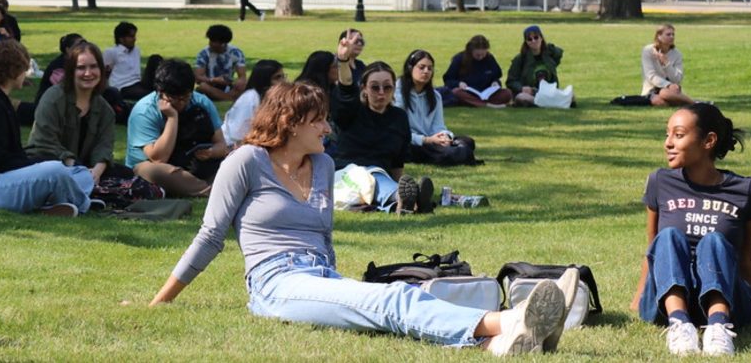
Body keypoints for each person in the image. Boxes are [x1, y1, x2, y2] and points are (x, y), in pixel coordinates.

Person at [149, 81, 578, 356]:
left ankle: (497, 344)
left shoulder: (320, 166)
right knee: (391, 300)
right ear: (289, 122)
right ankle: (511, 319)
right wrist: (159, 302)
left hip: (320, 277)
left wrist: (336, 284)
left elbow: (324, 237)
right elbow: (209, 236)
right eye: (318, 121)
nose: (327, 129)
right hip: (274, 284)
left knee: (391, 296)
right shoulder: (246, 161)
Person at [631, 103, 751, 356]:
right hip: (665, 302)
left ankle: (718, 327)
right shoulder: (660, 182)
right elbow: (653, 248)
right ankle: (679, 323)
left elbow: (748, 255)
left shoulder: (745, 191)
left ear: (708, 141)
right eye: (667, 134)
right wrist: (638, 297)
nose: (668, 143)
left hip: (727, 298)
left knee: (714, 241)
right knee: (668, 236)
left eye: (678, 135)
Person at [0, 40, 94, 217]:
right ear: (13, 71)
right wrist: (40, 164)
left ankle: (52, 205)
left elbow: (11, 158)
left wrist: (38, 163)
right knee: (55, 171)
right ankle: (84, 205)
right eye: (23, 69)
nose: (25, 74)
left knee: (81, 172)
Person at [332, 32, 428, 213]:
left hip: (381, 179)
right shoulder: (351, 112)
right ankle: (403, 197)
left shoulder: (399, 117)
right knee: (371, 177)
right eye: (375, 87)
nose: (381, 92)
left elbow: (398, 162)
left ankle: (401, 204)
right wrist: (343, 61)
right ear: (364, 89)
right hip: (349, 174)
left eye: (387, 87)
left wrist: (400, 183)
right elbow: (345, 89)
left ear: (394, 88)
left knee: (379, 180)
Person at [26, 41, 132, 183]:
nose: (88, 73)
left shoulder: (105, 110)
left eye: (93, 66)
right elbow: (45, 141)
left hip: (85, 165)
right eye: (81, 68)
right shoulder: (53, 98)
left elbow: (104, 146)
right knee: (54, 170)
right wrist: (76, 167)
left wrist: (96, 171)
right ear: (71, 71)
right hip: (51, 161)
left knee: (127, 174)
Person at [126, 58, 230, 197]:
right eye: (174, 98)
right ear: (160, 92)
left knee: (232, 161)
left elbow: (221, 145)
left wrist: (210, 152)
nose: (181, 103)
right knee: (156, 171)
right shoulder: (144, 111)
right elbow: (158, 158)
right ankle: (212, 191)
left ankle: (203, 184)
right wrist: (172, 118)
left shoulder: (201, 102)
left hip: (193, 162)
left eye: (185, 97)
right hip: (152, 165)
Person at [394, 49, 477, 165]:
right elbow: (399, 132)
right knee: (453, 151)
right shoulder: (398, 94)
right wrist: (427, 140)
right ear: (410, 68)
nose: (426, 71)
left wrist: (445, 136)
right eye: (421, 67)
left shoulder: (435, 96)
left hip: (431, 140)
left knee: (468, 142)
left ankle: (454, 152)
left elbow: (438, 125)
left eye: (430, 68)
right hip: (411, 142)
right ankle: (455, 153)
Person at [221, 59, 285, 148]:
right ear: (264, 80)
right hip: (233, 146)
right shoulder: (249, 99)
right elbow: (237, 134)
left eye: (283, 76)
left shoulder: (275, 99)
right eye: (277, 77)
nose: (283, 81)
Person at [506, 25, 571, 107]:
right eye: (529, 39)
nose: (533, 41)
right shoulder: (520, 59)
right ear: (526, 42)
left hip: (549, 91)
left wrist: (548, 47)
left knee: (572, 96)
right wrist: (521, 88)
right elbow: (510, 81)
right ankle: (549, 103)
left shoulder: (549, 54)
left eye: (536, 37)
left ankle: (548, 102)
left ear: (541, 38)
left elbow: (559, 53)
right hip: (532, 93)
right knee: (521, 97)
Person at [443, 35, 512, 108]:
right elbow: (448, 80)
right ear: (471, 50)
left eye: (483, 54)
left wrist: (495, 83)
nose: (480, 57)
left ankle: (476, 103)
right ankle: (486, 105)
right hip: (468, 92)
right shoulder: (459, 59)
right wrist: (459, 83)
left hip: (486, 93)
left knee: (507, 93)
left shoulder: (489, 58)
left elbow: (496, 76)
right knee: (457, 93)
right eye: (477, 55)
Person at [295, 50, 340, 154]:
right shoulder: (306, 93)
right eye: (335, 67)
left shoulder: (332, 88)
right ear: (324, 70)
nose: (338, 70)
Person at [103, 21, 159, 101]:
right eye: (131, 36)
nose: (134, 39)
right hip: (124, 87)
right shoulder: (112, 52)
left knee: (155, 58)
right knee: (151, 96)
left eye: (134, 36)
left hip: (139, 83)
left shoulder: (136, 50)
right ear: (121, 39)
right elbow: (104, 72)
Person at [642, 24, 695, 106]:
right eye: (668, 34)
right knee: (659, 101)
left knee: (664, 93)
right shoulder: (648, 51)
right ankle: (687, 102)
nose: (672, 37)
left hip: (672, 89)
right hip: (652, 88)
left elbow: (677, 79)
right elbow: (651, 76)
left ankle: (694, 104)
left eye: (673, 34)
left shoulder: (677, 54)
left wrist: (666, 63)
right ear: (659, 36)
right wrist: (668, 85)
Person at [194, 24, 247, 102]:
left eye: (214, 41)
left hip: (228, 86)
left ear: (224, 43)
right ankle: (229, 98)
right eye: (210, 40)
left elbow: (242, 76)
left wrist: (239, 82)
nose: (211, 44)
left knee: (246, 84)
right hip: (210, 86)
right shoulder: (204, 54)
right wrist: (213, 80)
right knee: (203, 86)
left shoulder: (235, 52)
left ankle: (223, 97)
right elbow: (198, 78)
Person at [35, 33, 84, 105]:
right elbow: (66, 89)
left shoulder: (74, 62)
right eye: (79, 46)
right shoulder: (58, 67)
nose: (83, 48)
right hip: (48, 105)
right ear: (68, 50)